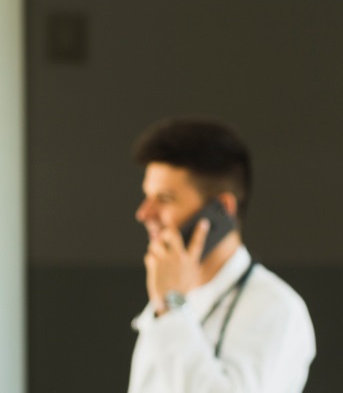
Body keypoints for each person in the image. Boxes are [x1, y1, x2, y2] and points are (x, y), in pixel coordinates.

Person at [128, 117, 315, 392]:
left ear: (221, 209)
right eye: (147, 196)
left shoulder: (276, 308)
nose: (144, 213)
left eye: (164, 199)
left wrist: (170, 307)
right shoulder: (172, 298)